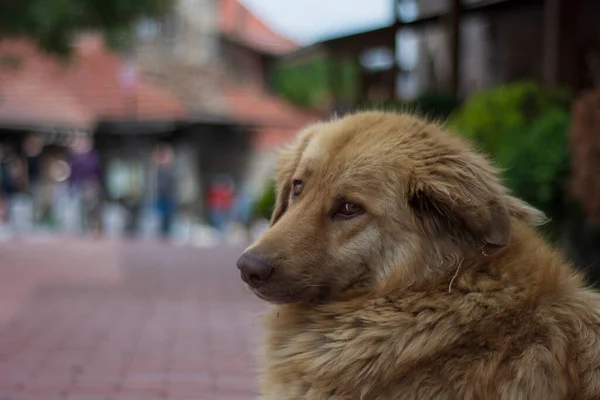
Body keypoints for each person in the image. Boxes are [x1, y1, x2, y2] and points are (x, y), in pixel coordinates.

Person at [68, 135, 104, 235]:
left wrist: (97, 184)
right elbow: (73, 174)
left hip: (91, 186)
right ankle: (82, 228)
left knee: (92, 209)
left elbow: (98, 173)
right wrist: (71, 186)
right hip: (79, 186)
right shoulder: (74, 159)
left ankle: (94, 228)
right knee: (80, 208)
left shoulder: (93, 157)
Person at [153, 144, 177, 239]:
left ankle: (167, 234)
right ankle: (163, 234)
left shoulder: (171, 170)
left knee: (168, 218)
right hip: (161, 196)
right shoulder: (158, 170)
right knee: (161, 218)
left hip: (169, 196)